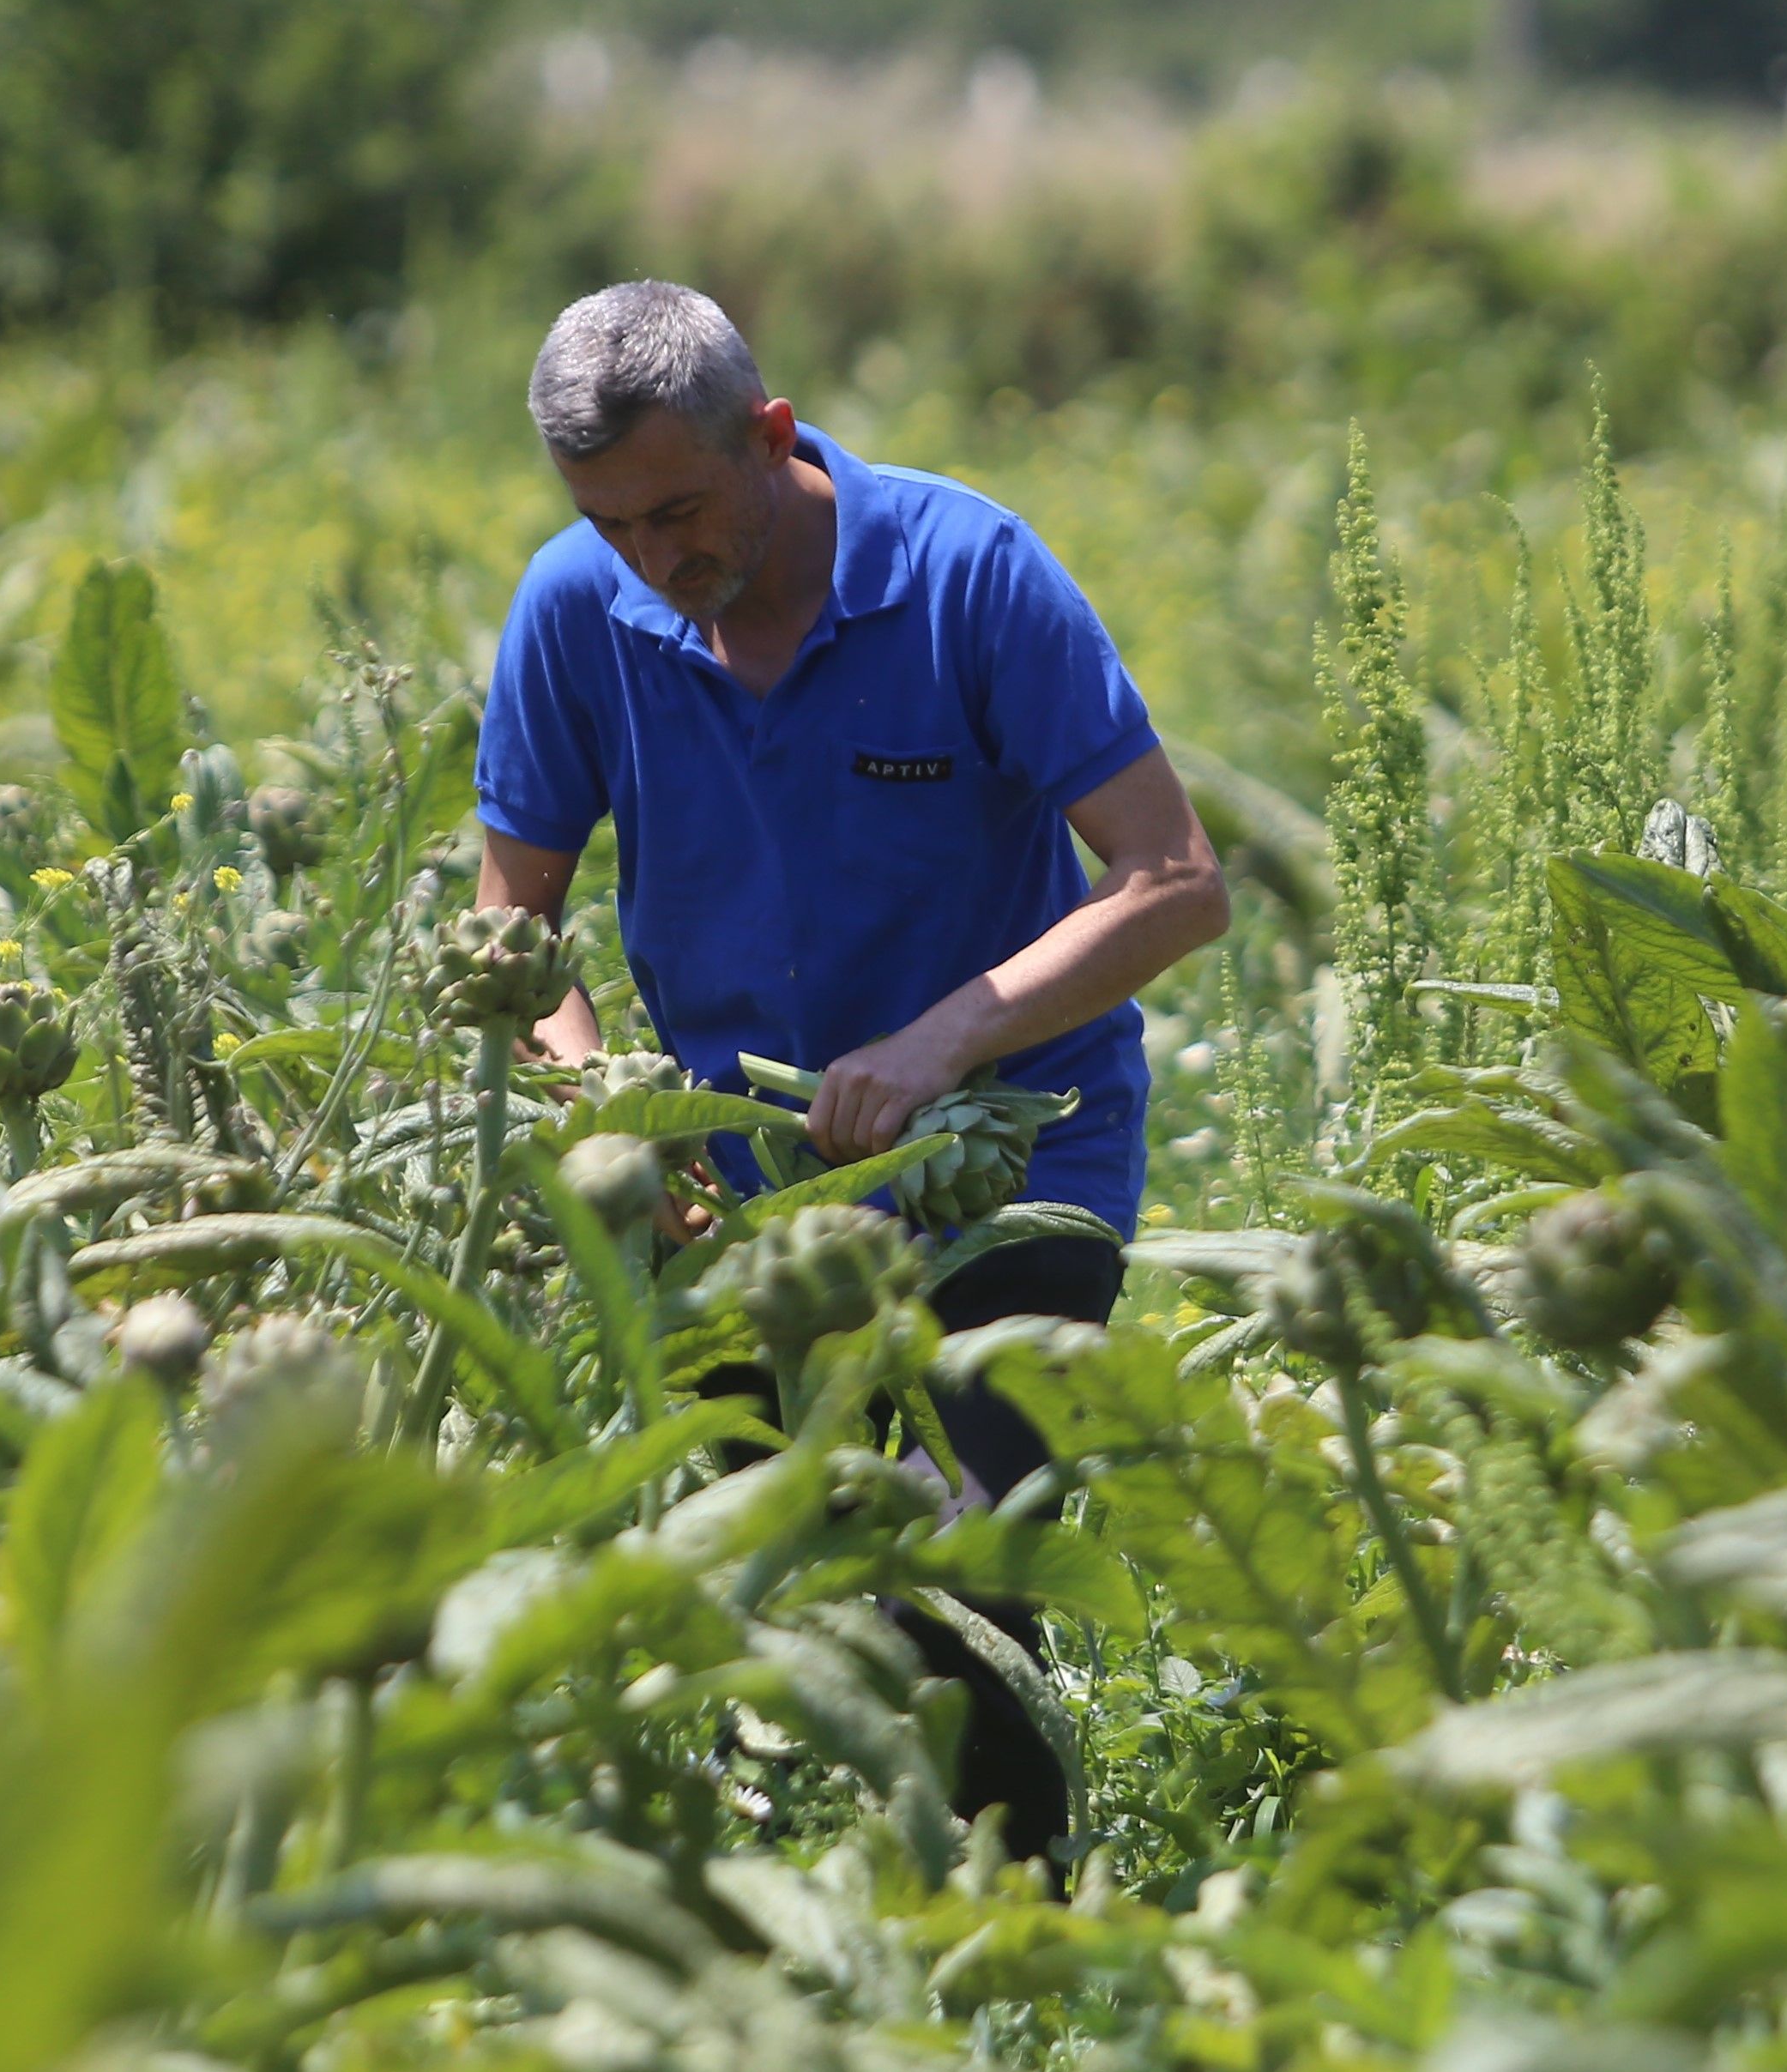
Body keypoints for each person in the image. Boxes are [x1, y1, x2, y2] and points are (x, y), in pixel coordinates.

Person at [474, 279, 1230, 1846]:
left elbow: (1175, 882)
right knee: (732, 1594)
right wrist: (606, 1108)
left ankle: (1011, 1960)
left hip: (1010, 1176)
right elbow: (512, 932)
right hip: (739, 1214)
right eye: (611, 524)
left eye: (679, 510)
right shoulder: (576, 611)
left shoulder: (965, 573)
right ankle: (766, 1953)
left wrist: (942, 1039)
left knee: (956, 1605)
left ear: (771, 434)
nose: (653, 560)